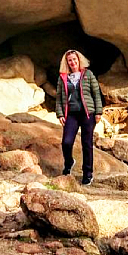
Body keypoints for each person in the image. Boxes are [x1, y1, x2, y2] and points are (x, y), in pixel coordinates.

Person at [55, 49, 103, 185]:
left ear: (79, 60)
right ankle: (69, 162)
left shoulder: (88, 74)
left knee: (86, 144)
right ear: (67, 62)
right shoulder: (63, 77)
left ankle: (88, 174)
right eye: (70, 60)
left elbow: (96, 94)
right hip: (71, 114)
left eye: (74, 59)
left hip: (87, 113)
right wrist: (59, 114)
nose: (72, 62)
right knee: (66, 142)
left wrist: (98, 112)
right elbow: (59, 98)